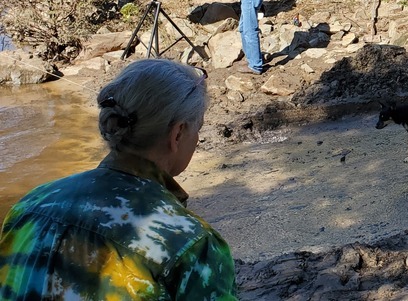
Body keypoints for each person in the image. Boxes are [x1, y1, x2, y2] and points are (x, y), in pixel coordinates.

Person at [0, 59, 238, 300]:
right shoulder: (189, 243)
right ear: (177, 134)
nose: (197, 140)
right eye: (198, 128)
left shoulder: (29, 206)